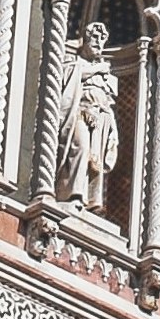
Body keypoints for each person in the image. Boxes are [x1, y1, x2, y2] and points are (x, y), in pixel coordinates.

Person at [53, 15, 123, 210]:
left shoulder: (107, 76)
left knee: (96, 161)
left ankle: (90, 201)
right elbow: (72, 80)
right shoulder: (75, 63)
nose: (98, 44)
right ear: (85, 40)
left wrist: (113, 130)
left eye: (102, 41)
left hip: (101, 118)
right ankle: (70, 193)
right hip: (80, 113)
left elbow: (108, 102)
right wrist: (97, 69)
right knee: (81, 148)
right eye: (95, 39)